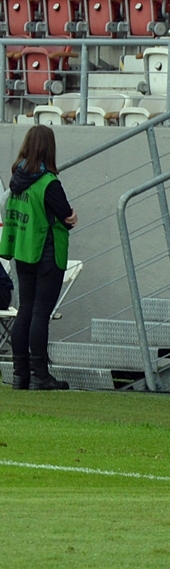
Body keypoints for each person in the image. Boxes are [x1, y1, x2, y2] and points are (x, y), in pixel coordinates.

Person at [1, 126, 76, 391]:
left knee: (25, 311)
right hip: (47, 252)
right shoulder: (48, 183)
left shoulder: (16, 181)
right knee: (41, 314)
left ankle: (20, 374)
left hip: (23, 251)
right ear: (49, 149)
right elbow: (66, 216)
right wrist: (71, 218)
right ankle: (40, 374)